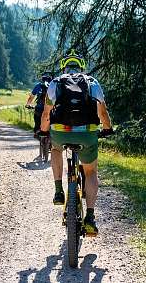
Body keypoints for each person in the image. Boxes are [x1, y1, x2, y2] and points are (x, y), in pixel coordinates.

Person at [40, 49, 113, 235]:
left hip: (61, 132)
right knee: (91, 171)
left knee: (55, 151)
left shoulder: (56, 82)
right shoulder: (91, 82)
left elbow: (47, 112)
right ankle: (90, 216)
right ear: (82, 67)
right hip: (87, 133)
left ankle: (58, 190)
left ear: (64, 67)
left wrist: (43, 130)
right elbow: (102, 112)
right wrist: (107, 128)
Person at [26, 72, 53, 138]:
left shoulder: (38, 86)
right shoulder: (53, 85)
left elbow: (31, 97)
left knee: (37, 124)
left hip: (39, 109)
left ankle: (37, 131)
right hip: (50, 110)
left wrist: (28, 105)